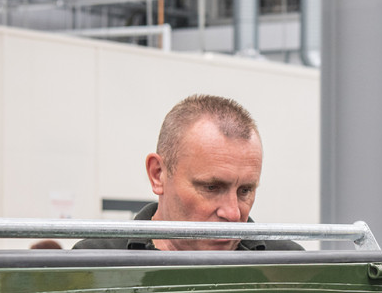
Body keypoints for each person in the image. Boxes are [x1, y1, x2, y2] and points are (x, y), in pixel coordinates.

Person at [75, 94, 299, 251]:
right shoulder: (95, 263)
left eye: (245, 191)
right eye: (211, 187)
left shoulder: (287, 265)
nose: (233, 214)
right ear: (158, 174)